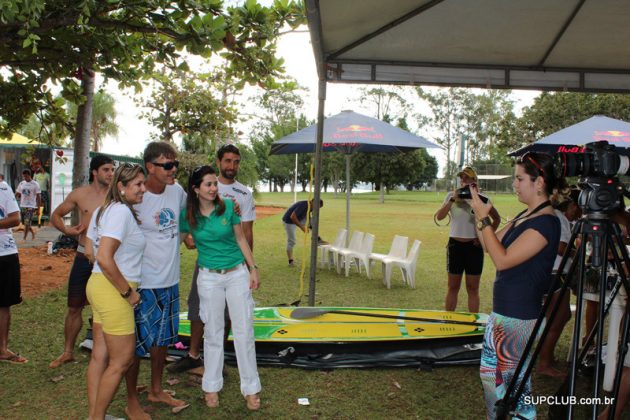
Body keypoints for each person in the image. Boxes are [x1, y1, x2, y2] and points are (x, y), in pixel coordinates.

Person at [470, 152, 561, 419]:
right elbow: (489, 245)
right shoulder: (526, 215)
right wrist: (481, 216)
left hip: (519, 317)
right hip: (504, 313)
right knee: (491, 378)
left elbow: (503, 259)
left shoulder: (546, 222)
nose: (515, 184)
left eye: (520, 179)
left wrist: (484, 219)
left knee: (514, 388)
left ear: (539, 182)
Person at [180, 165, 261, 410]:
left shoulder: (227, 206)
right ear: (196, 189)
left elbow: (240, 239)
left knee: (243, 331)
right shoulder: (188, 214)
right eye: (208, 184)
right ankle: (211, 387)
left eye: (215, 183)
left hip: (236, 274)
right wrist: (188, 240)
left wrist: (253, 268)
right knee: (213, 333)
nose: (214, 188)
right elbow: (182, 237)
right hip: (208, 279)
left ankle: (250, 389)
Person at [169, 143, 256, 373]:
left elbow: (245, 234)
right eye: (227, 161)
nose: (232, 166)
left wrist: (250, 267)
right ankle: (194, 354)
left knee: (229, 315)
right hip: (207, 265)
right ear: (219, 162)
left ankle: (218, 359)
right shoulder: (198, 189)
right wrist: (199, 241)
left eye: (236, 161)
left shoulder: (243, 195)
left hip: (234, 266)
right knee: (198, 309)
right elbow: (186, 232)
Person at [126, 141, 187, 413]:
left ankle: (155, 389)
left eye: (175, 164)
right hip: (142, 284)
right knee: (136, 345)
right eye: (168, 165)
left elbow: (190, 215)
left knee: (162, 340)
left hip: (170, 280)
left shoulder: (177, 191)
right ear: (150, 167)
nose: (174, 169)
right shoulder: (135, 198)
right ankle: (131, 399)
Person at [84, 163, 145, 420]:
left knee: (100, 356)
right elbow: (104, 257)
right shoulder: (120, 212)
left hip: (98, 285)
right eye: (138, 185)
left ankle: (94, 415)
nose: (143, 189)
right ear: (121, 187)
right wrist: (127, 293)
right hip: (113, 290)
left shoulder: (104, 209)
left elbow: (90, 251)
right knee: (121, 361)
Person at [49, 155, 115, 369]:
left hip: (108, 258)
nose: (110, 173)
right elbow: (56, 215)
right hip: (82, 256)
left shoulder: (117, 195)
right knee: (74, 306)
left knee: (107, 307)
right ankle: (67, 351)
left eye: (112, 169)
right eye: (106, 169)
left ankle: (108, 352)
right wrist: (67, 230)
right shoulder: (80, 194)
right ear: (95, 172)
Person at [435, 166, 500, 313]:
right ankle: (449, 320)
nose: (463, 180)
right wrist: (452, 199)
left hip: (474, 247)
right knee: (453, 287)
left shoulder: (482, 199)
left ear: (474, 180)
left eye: (467, 177)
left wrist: (484, 237)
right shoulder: (451, 196)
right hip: (455, 246)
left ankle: (474, 322)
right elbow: (439, 217)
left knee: (472, 288)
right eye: (462, 177)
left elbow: (496, 218)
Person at [537, 189, 578, 377]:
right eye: (578, 209)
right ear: (571, 206)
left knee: (559, 317)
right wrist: (577, 254)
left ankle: (547, 355)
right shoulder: (559, 218)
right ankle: (544, 363)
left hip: (556, 273)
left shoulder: (560, 217)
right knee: (558, 318)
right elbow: (561, 248)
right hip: (556, 273)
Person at [0, 179, 27, 364]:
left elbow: (15, 218)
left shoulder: (3, 187)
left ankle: (2, 349)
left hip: (4, 253)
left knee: (3, 303)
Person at [282, 199, 323, 267]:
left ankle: (317, 239)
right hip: (289, 221)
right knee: (292, 241)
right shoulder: (304, 205)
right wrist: (302, 227)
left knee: (311, 223)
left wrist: (310, 224)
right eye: (317, 207)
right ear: (313, 203)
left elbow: (307, 217)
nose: (317, 209)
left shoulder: (310, 206)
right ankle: (290, 261)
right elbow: (292, 217)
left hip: (297, 218)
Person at [15, 169, 41, 240]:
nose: (25, 178)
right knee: (25, 223)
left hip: (31, 206)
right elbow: (17, 193)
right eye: (24, 177)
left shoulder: (35, 184)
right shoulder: (22, 183)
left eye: (26, 176)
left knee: (27, 223)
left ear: (29, 175)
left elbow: (38, 197)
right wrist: (13, 199)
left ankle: (24, 238)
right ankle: (33, 233)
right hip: (22, 205)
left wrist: (38, 209)